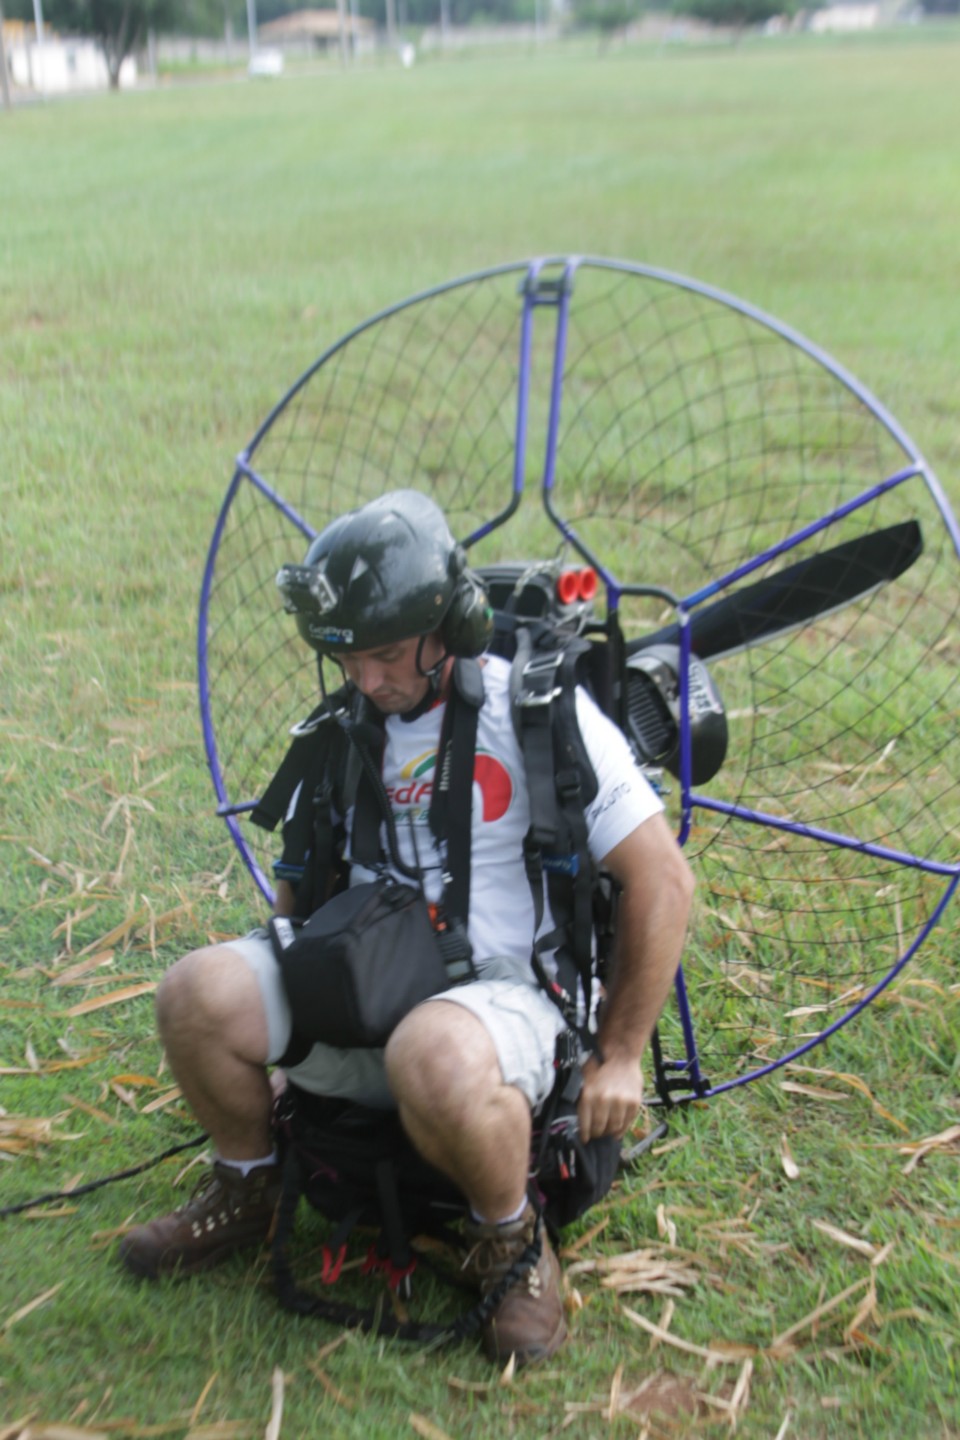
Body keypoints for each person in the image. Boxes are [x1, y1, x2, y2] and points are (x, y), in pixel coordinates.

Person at [119, 490, 694, 1365]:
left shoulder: (538, 713)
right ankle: (248, 1183)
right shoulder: (345, 726)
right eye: (347, 660)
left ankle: (509, 1240)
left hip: (505, 1000)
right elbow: (298, 886)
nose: (367, 680)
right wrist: (280, 1012)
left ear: (451, 627)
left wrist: (620, 1054)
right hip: (365, 981)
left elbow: (661, 878)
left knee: (428, 1050)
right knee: (194, 995)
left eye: (386, 657)